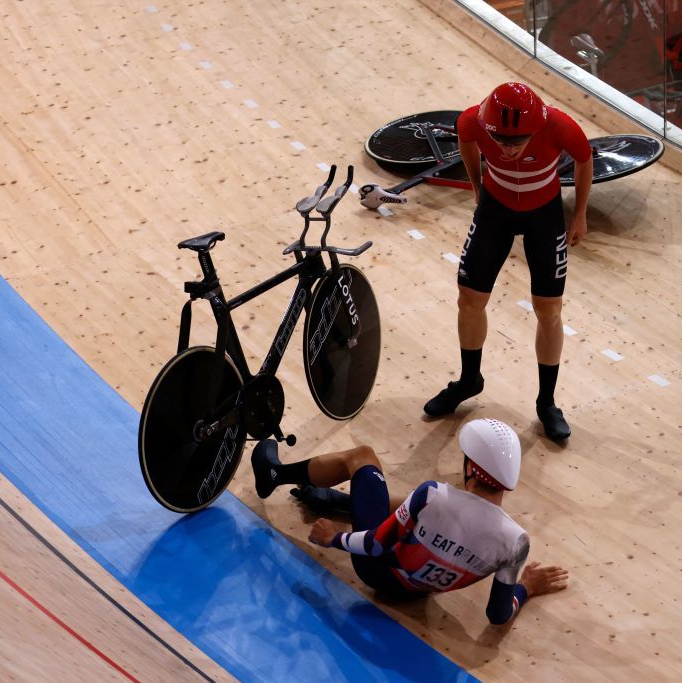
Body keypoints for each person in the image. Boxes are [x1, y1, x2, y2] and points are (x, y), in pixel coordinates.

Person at [251, 418, 569, 624]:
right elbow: (497, 615)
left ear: (471, 469)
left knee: (362, 457)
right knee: (417, 509)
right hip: (417, 592)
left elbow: (375, 544)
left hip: (375, 568)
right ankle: (340, 502)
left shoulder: (434, 495)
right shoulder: (516, 541)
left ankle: (274, 473)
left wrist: (333, 538)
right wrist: (525, 587)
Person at [424, 82, 594, 441]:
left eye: (518, 141)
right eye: (501, 140)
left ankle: (546, 402)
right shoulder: (472, 121)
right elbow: (466, 141)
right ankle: (470, 380)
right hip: (495, 211)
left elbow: (584, 159)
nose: (509, 148)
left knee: (548, 310)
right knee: (468, 300)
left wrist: (579, 214)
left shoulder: (562, 126)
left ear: (538, 128)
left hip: (544, 216)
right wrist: (475, 185)